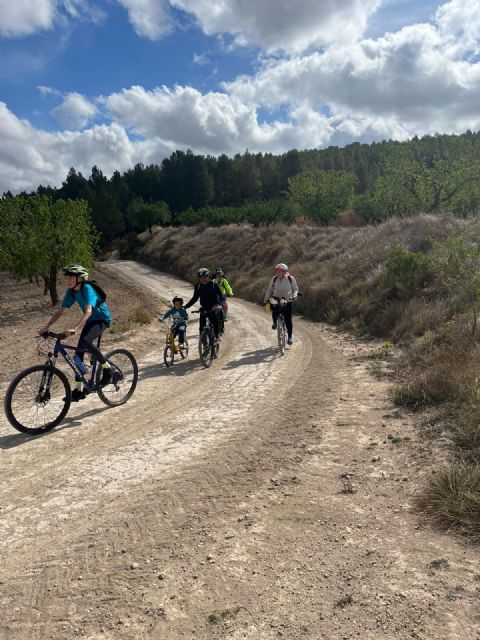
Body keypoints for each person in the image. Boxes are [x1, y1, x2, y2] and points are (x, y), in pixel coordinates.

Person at [38, 264, 117, 401]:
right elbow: (60, 312)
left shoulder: (88, 288)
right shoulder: (71, 291)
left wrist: (75, 328)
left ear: (80, 278)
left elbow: (88, 311)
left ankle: (108, 369)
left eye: (71, 277)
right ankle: (79, 390)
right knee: (77, 356)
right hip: (90, 321)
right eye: (67, 277)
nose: (68, 279)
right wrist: (46, 327)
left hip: (101, 320)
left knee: (86, 341)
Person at [263, 263, 299, 345]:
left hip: (287, 300)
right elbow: (269, 289)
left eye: (280, 271)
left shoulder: (290, 278)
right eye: (277, 271)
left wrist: (294, 296)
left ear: (284, 272)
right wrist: (266, 299)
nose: (278, 273)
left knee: (288, 320)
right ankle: (275, 322)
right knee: (273, 305)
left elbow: (295, 289)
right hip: (277, 298)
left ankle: (289, 337)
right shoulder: (274, 279)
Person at [184, 268, 223, 339]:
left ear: (208, 276)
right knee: (202, 324)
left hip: (214, 306)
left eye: (205, 277)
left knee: (214, 321)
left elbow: (220, 296)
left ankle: (217, 336)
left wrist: (219, 305)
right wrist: (185, 307)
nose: (203, 279)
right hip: (204, 307)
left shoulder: (214, 285)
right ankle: (202, 340)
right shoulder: (198, 286)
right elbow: (194, 298)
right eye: (201, 278)